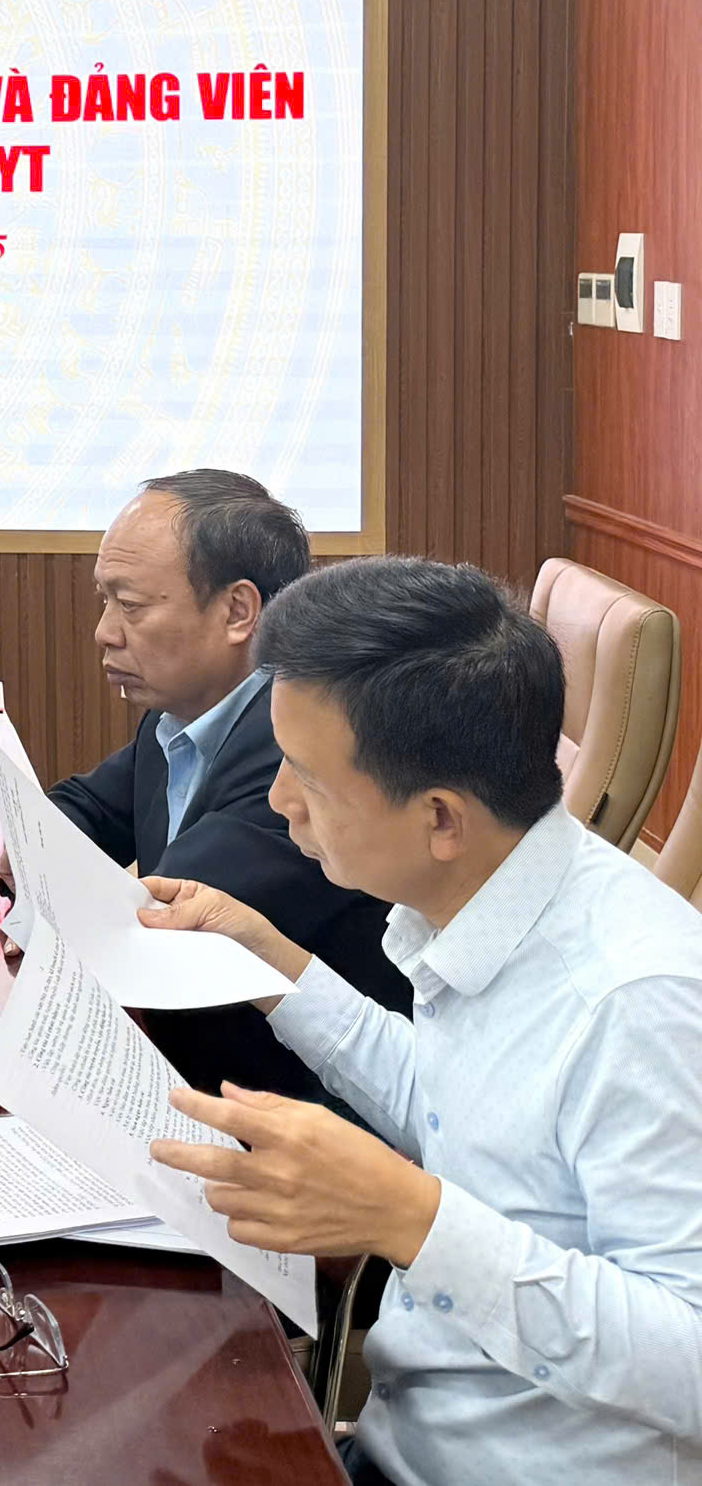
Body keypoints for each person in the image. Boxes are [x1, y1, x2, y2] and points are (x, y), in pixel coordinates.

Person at [141, 557, 702, 1486]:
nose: (279, 801)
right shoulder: (492, 892)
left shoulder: (634, 1001)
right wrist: (271, 963)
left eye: (306, 778)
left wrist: (408, 1216)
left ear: (441, 817)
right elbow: (464, 1113)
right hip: (402, 1438)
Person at [48, 471, 407, 1093]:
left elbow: (154, 928)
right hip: (187, 1058)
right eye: (104, 600)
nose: (105, 631)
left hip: (289, 1104)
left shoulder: (295, 753)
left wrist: (39, 875)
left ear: (238, 611)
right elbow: (83, 809)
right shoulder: (183, 713)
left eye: (130, 606)